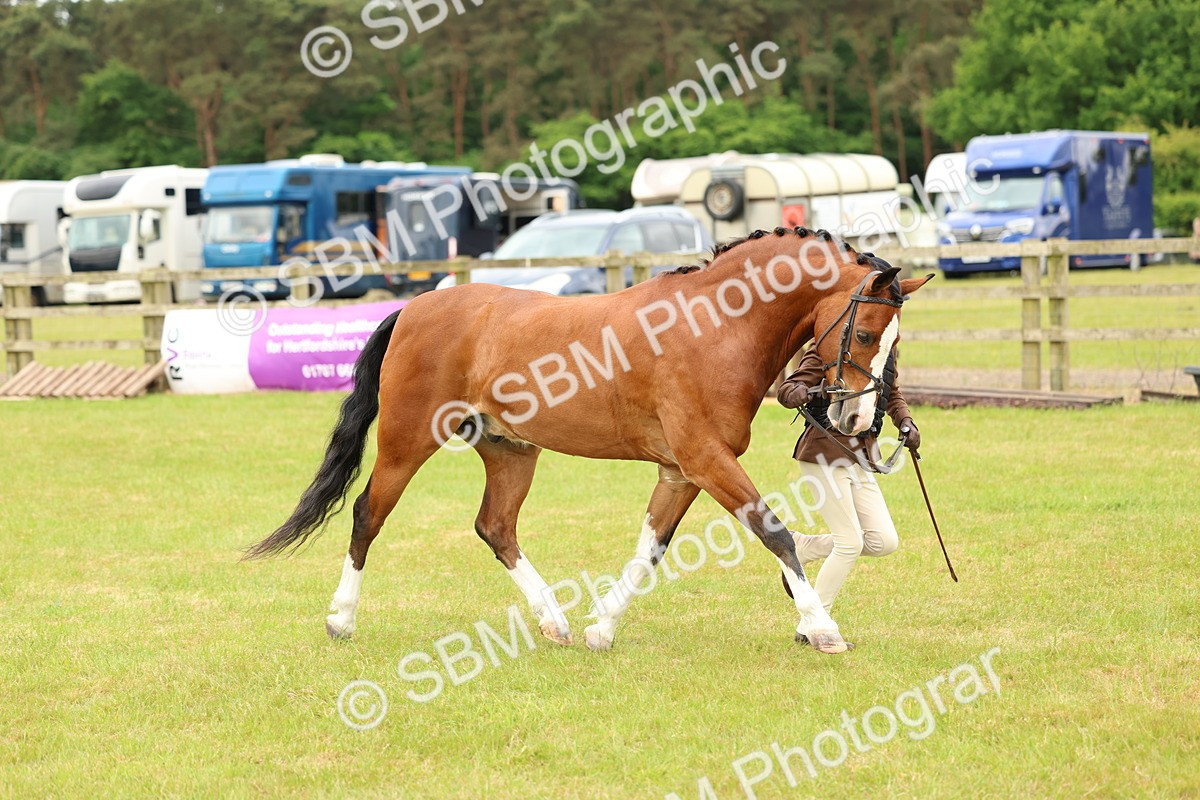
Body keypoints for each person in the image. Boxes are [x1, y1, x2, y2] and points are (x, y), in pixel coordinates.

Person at [775, 344, 919, 635]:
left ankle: (802, 547)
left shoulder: (883, 349)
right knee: (850, 543)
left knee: (883, 540)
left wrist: (905, 421)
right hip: (824, 451)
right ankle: (814, 624)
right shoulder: (828, 346)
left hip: (860, 456)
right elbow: (788, 387)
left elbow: (891, 393)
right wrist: (796, 393)